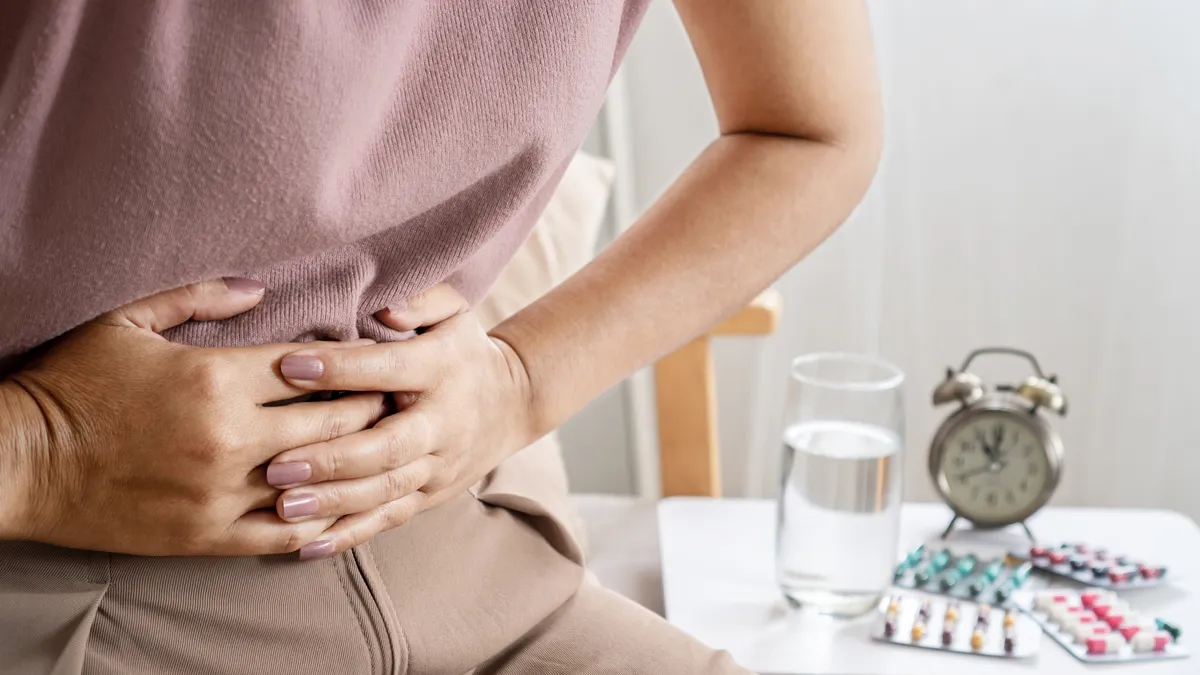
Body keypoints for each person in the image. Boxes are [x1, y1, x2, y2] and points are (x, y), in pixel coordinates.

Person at [0, 1, 882, 673]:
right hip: (55, 580)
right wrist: (40, 454)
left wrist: (520, 382)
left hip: (458, 568)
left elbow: (811, 127)